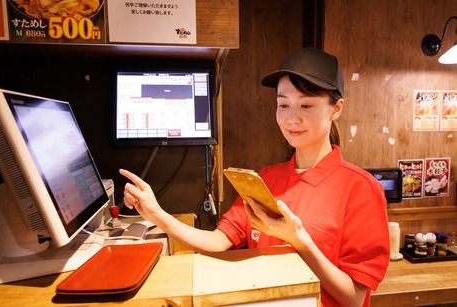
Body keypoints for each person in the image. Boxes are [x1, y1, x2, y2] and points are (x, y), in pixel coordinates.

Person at [120, 47, 390, 307]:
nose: (291, 118)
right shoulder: (265, 180)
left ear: (336, 108)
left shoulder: (360, 189)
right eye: (283, 105)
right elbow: (218, 241)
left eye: (306, 106)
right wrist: (156, 214)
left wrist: (300, 240)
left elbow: (353, 298)